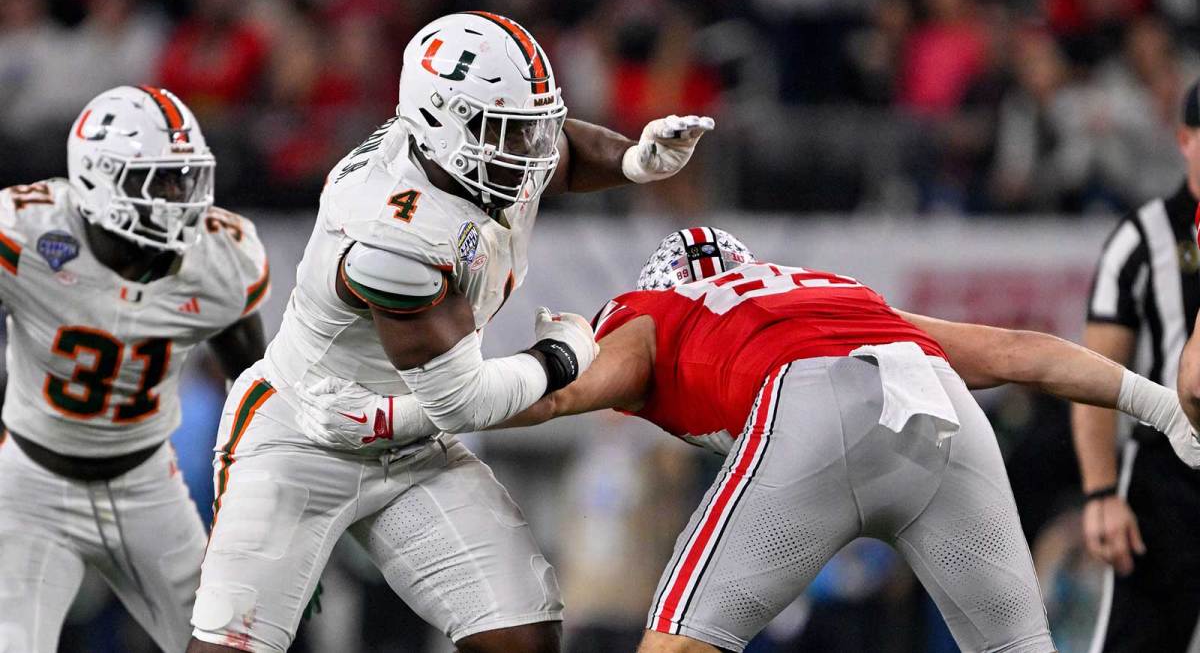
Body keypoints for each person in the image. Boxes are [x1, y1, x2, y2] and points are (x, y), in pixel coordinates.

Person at [298, 226, 1200, 653]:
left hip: (809, 411)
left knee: (680, 643)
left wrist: (403, 412)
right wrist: (1160, 404)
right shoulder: (828, 287)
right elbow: (1018, 353)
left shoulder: (651, 313)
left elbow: (544, 399)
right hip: (938, 413)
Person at [187, 12, 713, 653]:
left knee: (523, 635)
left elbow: (560, 149)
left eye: (530, 127)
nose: (532, 151)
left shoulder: (469, 159)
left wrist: (635, 161)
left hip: (405, 442)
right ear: (442, 123)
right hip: (301, 439)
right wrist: (564, 355)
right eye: (510, 132)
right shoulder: (394, 237)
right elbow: (462, 403)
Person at [0, 86, 269, 653]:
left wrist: (261, 504)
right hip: (31, 483)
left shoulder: (219, 260)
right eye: (161, 181)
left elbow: (257, 390)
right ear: (100, 179)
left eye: (186, 178)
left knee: (235, 641)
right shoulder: (28, 230)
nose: (181, 199)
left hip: (147, 483)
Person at [1073, 76, 1200, 653]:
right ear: (1184, 139)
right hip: (1167, 471)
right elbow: (1093, 371)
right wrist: (1101, 492)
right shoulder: (1142, 239)